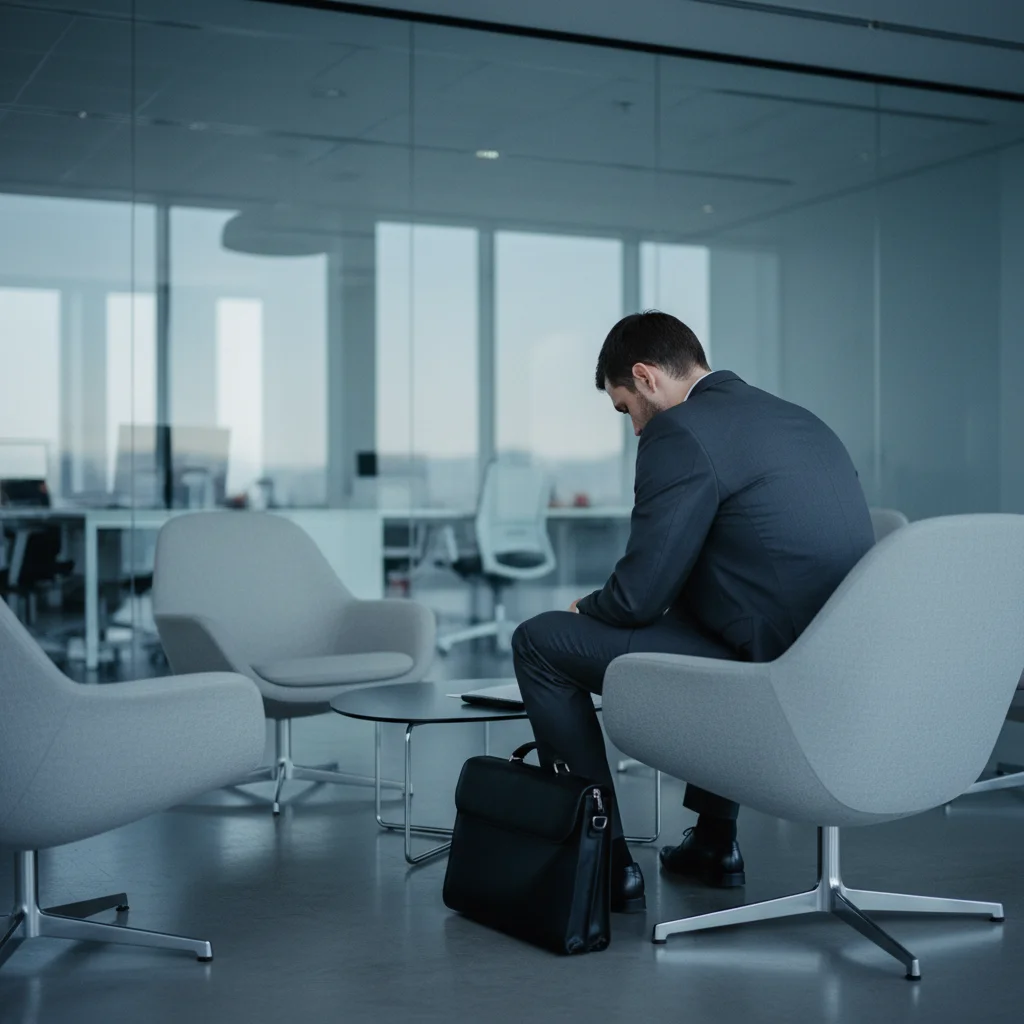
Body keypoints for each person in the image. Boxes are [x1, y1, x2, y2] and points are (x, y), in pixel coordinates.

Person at [512, 311, 874, 914]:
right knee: (713, 625)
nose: (632, 430)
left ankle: (601, 863)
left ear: (646, 378)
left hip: (774, 678)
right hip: (840, 665)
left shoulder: (681, 432)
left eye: (625, 408)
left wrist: (586, 607)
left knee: (540, 641)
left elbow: (638, 597)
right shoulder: (798, 420)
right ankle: (713, 843)